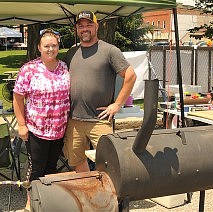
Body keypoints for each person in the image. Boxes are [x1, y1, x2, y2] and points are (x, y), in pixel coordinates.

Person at [63, 11, 137, 172]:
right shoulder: (71, 52)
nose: (85, 29)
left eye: (89, 25)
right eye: (81, 26)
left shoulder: (109, 51)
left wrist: (117, 104)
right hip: (74, 120)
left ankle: (109, 195)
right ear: (76, 29)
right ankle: (88, 193)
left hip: (99, 120)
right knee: (77, 160)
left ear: (96, 26)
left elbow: (130, 75)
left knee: (110, 161)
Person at [13, 28, 70, 210]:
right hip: (36, 130)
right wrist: (22, 125)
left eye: (54, 45)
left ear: (58, 47)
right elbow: (17, 97)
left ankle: (47, 202)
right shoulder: (29, 69)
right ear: (39, 47)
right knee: (36, 169)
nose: (50, 49)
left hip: (59, 129)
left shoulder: (64, 67)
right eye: (46, 46)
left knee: (51, 168)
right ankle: (31, 204)